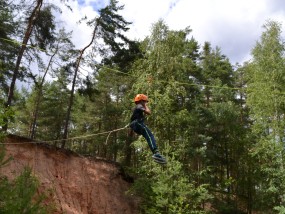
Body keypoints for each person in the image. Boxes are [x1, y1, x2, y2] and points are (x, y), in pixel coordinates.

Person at [130, 94, 167, 164]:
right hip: (137, 123)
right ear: (141, 101)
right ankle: (155, 152)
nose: (145, 103)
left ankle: (155, 152)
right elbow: (148, 112)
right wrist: (145, 105)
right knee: (150, 135)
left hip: (135, 124)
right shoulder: (139, 106)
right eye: (145, 101)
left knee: (148, 136)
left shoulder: (137, 106)